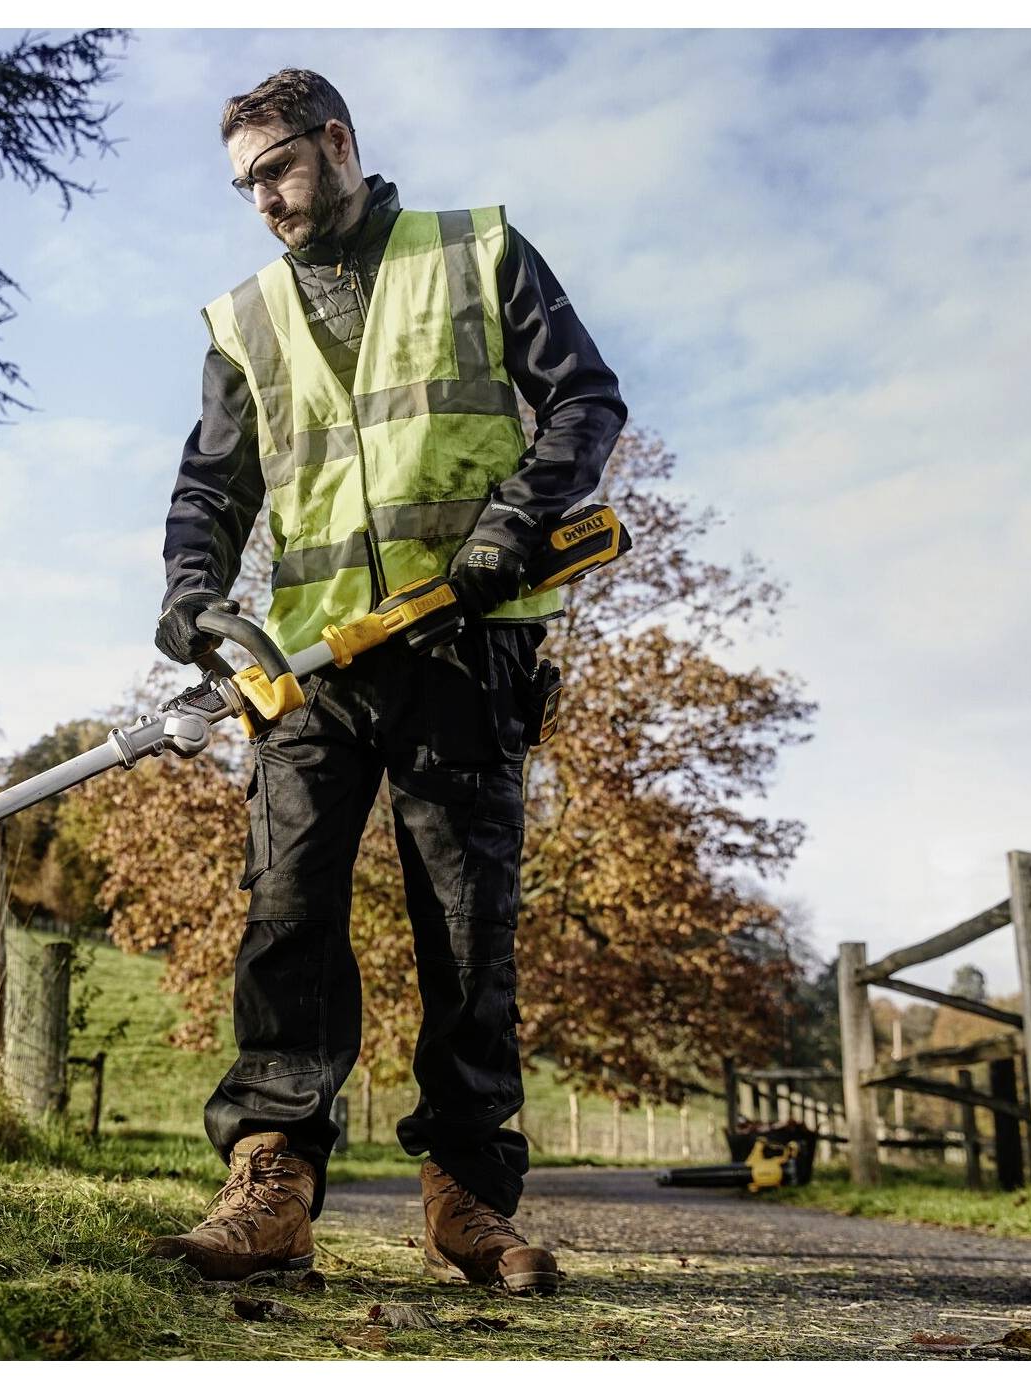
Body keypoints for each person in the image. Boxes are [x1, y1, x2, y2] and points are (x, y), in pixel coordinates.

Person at [145, 69, 626, 1295]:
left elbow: (585, 398)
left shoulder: (478, 252)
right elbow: (212, 489)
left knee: (468, 931)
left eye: (279, 169)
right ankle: (271, 1181)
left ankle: (469, 1194)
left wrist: (516, 522)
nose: (264, 200)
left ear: (339, 142)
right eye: (245, 183)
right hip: (312, 669)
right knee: (287, 917)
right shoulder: (245, 319)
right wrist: (195, 592)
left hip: (467, 647)